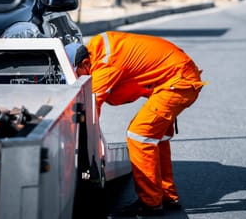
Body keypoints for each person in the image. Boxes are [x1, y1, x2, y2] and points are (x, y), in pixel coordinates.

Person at [65, 31, 207, 217]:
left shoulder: (104, 65)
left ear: (85, 64)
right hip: (177, 75)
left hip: (178, 81)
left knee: (139, 135)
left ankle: (150, 203)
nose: (78, 80)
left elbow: (91, 111)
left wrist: (73, 144)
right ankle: (167, 195)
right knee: (156, 138)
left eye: (77, 75)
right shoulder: (98, 49)